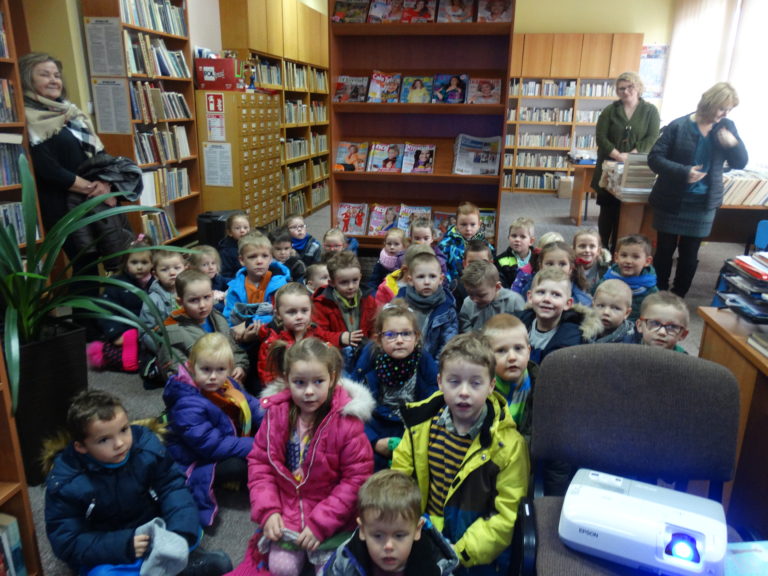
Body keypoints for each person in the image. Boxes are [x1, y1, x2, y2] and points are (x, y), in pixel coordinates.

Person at [43, 390, 232, 575]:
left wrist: (178, 532)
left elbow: (173, 487)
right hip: (111, 552)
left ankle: (175, 565)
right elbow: (67, 541)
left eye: (124, 430)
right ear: (81, 447)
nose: (120, 443)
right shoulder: (66, 482)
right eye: (104, 440)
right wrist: (124, 545)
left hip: (155, 532)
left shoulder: (145, 448)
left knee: (211, 556)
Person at [392, 333, 529, 576]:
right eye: (454, 382)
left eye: (475, 383)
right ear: (440, 382)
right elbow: (400, 481)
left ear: (491, 386)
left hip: (474, 555)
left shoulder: (508, 446)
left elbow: (505, 516)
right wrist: (409, 529)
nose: (464, 392)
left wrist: (459, 552)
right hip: (422, 536)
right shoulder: (420, 427)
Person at [236, 338, 374, 576]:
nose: (309, 391)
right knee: (281, 568)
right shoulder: (276, 415)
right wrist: (269, 511)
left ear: (332, 378)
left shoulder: (347, 422)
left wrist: (321, 523)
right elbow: (260, 465)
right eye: (299, 382)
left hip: (332, 517)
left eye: (318, 381)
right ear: (287, 379)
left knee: (332, 571)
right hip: (287, 513)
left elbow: (356, 479)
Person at [21, 52, 133, 280]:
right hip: (61, 207)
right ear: (27, 80)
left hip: (91, 201)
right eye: (44, 75)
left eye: (56, 75)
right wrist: (94, 190)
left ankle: (99, 315)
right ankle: (85, 317)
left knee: (112, 260)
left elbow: (99, 154)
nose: (54, 80)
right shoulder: (28, 118)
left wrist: (105, 183)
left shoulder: (71, 112)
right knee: (86, 269)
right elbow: (47, 168)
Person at [648, 82, 748, 297]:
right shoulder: (679, 126)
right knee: (664, 249)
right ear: (709, 103)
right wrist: (684, 171)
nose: (725, 113)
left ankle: (678, 295)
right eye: (722, 108)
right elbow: (655, 159)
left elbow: (740, 163)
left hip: (703, 202)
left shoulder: (727, 127)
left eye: (729, 110)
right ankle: (659, 292)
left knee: (690, 253)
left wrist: (733, 144)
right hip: (671, 199)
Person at [163, 333, 261, 526]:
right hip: (198, 458)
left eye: (220, 370)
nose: (213, 376)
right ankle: (225, 483)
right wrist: (257, 444)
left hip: (227, 437)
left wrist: (274, 424)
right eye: (206, 369)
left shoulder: (227, 384)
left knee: (268, 439)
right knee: (239, 466)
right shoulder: (187, 404)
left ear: (229, 370)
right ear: (191, 368)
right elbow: (211, 446)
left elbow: (252, 405)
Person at [351, 300, 438, 470]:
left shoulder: (423, 361)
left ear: (416, 336)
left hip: (415, 429)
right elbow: (353, 406)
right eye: (390, 335)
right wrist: (373, 441)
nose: (399, 340)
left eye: (406, 334)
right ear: (378, 339)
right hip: (378, 427)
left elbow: (434, 402)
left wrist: (415, 439)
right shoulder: (369, 359)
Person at [322, 469, 459, 576]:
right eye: (378, 536)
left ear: (417, 530)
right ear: (363, 530)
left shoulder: (435, 565)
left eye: (399, 535)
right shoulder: (346, 558)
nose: (388, 546)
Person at [591, 72, 661, 254]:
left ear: (638, 87)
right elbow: (601, 136)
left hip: (635, 166)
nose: (626, 91)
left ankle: (620, 250)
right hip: (609, 166)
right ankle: (603, 249)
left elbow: (652, 136)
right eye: (621, 88)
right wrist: (617, 155)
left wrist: (632, 154)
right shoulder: (610, 110)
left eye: (630, 87)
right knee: (607, 210)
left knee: (628, 212)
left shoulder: (650, 111)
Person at [157, 270, 249, 382]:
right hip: (198, 390)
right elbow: (175, 370)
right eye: (193, 300)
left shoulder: (218, 318)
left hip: (228, 383)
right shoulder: (173, 332)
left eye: (206, 297)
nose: (202, 305)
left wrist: (239, 366)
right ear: (180, 302)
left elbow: (234, 349)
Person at [87, 235, 153, 372]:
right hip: (124, 331)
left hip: (149, 331)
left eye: (144, 262)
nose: (139, 267)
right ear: (126, 263)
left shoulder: (156, 282)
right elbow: (105, 310)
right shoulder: (117, 284)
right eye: (134, 263)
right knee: (113, 355)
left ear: (153, 263)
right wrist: (116, 334)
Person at [516, 268, 601, 364]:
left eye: (556, 294)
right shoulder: (516, 324)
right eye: (541, 292)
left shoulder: (573, 338)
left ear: (568, 303)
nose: (546, 299)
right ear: (530, 297)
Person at [256, 282, 334, 384]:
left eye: (304, 310)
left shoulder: (317, 334)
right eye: (292, 312)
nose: (299, 317)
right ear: (278, 314)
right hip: (284, 391)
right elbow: (268, 377)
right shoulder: (272, 342)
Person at [223, 232, 290, 347]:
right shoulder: (235, 288)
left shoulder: (280, 284)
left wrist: (247, 324)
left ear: (270, 258)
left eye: (265, 256)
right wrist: (241, 335)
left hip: (275, 340)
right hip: (244, 342)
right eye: (252, 256)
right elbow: (229, 319)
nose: (259, 261)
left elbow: (279, 316)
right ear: (242, 260)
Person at [312, 251, 377, 354]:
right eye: (344, 282)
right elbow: (316, 333)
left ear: (360, 277)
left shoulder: (369, 300)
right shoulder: (321, 304)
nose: (351, 286)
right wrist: (340, 338)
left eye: (355, 280)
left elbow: (375, 329)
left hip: (364, 354)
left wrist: (371, 346)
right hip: (334, 354)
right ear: (332, 283)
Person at [400, 251, 458, 359]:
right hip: (402, 360)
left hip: (431, 363)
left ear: (441, 279)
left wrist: (434, 370)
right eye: (421, 277)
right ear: (410, 280)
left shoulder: (447, 309)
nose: (427, 282)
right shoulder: (400, 302)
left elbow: (447, 346)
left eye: (432, 276)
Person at [598, 234, 658, 321]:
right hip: (606, 320)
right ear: (616, 257)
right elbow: (594, 297)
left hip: (635, 326)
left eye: (635, 257)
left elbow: (655, 312)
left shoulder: (649, 288)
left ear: (647, 261)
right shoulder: (608, 278)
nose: (628, 261)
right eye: (624, 255)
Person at [139, 249, 187, 353]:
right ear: (155, 275)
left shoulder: (192, 289)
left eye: (177, 268)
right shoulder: (152, 300)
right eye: (164, 270)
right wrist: (165, 350)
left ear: (185, 269)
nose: (172, 273)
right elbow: (146, 333)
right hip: (170, 347)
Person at [459, 260, 525, 333]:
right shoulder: (467, 303)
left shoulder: (513, 301)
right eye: (470, 294)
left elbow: (523, 327)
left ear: (497, 287)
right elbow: (465, 327)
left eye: (481, 295)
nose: (474, 300)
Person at [438, 201, 495, 286]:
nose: (468, 229)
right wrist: (449, 284)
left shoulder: (486, 246)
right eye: (463, 224)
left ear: (479, 224)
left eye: (472, 224)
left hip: (479, 286)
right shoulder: (445, 245)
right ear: (456, 224)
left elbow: (490, 268)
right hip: (453, 287)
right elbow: (441, 268)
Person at [537, 241, 593, 306]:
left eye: (562, 264)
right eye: (550, 264)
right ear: (540, 267)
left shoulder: (583, 302)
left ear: (571, 268)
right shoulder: (529, 291)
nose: (556, 268)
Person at [452, 239, 494, 312]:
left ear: (491, 263)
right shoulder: (457, 286)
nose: (477, 267)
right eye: (472, 263)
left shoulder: (497, 283)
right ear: (464, 264)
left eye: (483, 262)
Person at [494, 217, 535, 291]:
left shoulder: (537, 258)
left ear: (531, 241)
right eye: (514, 236)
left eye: (522, 236)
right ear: (508, 237)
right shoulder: (500, 260)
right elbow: (501, 283)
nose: (517, 239)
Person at [592, 279, 636, 343]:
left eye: (615, 308)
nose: (606, 312)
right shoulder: (581, 332)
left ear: (627, 313)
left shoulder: (630, 341)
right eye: (601, 306)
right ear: (593, 306)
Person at [189, 245, 228, 313]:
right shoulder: (194, 286)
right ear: (194, 268)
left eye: (213, 263)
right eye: (205, 265)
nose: (211, 267)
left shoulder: (216, 278)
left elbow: (232, 283)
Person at [572, 227, 610, 294]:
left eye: (592, 246)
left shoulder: (605, 270)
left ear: (598, 251)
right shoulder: (569, 267)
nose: (587, 250)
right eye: (582, 246)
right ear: (574, 249)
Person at [218, 212, 251, 282]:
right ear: (230, 232)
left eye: (245, 227)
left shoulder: (252, 243)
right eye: (237, 228)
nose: (242, 231)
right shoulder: (226, 251)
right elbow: (225, 275)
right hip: (236, 282)